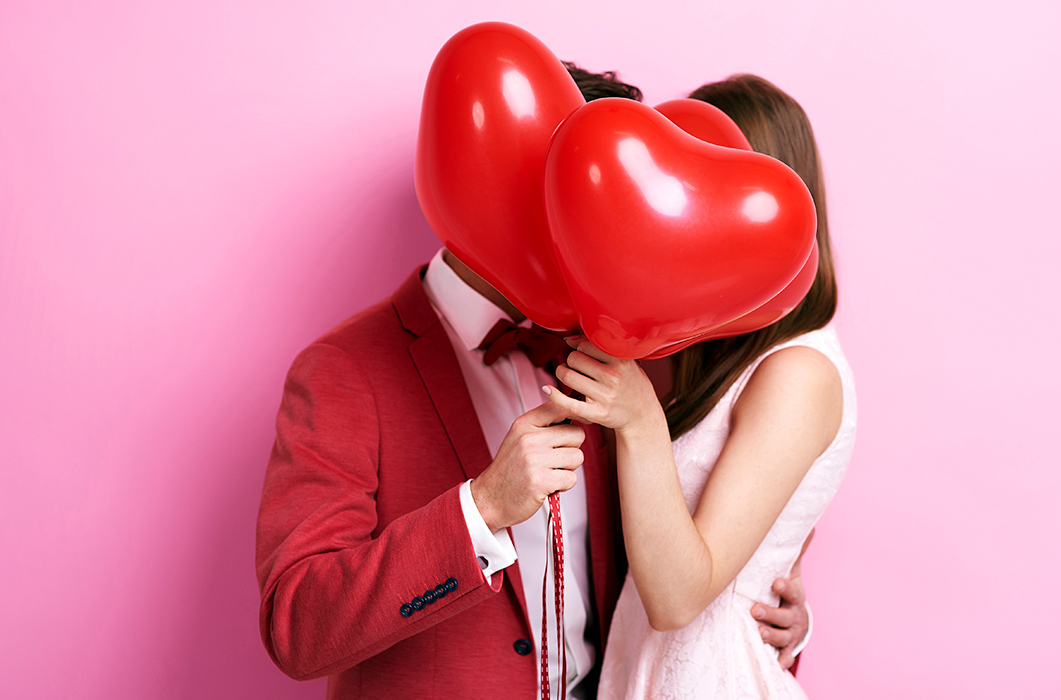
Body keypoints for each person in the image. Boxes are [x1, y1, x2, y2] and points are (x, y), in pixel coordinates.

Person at [255, 67, 810, 700]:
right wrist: (482, 506)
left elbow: (692, 524)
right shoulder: (345, 371)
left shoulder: (620, 354)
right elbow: (298, 627)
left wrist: (771, 608)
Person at [544, 74, 855, 699]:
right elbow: (771, 533)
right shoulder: (721, 349)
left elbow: (680, 599)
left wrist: (638, 420)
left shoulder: (799, 372)